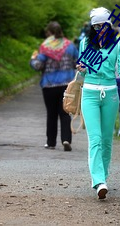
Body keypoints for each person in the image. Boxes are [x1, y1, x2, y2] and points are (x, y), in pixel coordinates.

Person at [76, 7, 120, 199]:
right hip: (89, 93)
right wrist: (81, 68)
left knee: (107, 140)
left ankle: (103, 177)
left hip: (111, 94)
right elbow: (82, 71)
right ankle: (98, 181)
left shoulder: (118, 44)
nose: (99, 29)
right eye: (95, 26)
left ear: (109, 24)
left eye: (102, 25)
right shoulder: (85, 43)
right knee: (95, 139)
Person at [30, 21, 78, 151]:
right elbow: (77, 63)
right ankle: (66, 139)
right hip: (66, 85)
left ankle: (51, 143)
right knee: (65, 112)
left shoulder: (45, 47)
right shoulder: (70, 46)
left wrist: (33, 59)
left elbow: (38, 66)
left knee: (51, 114)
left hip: (49, 85)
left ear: (49, 33)